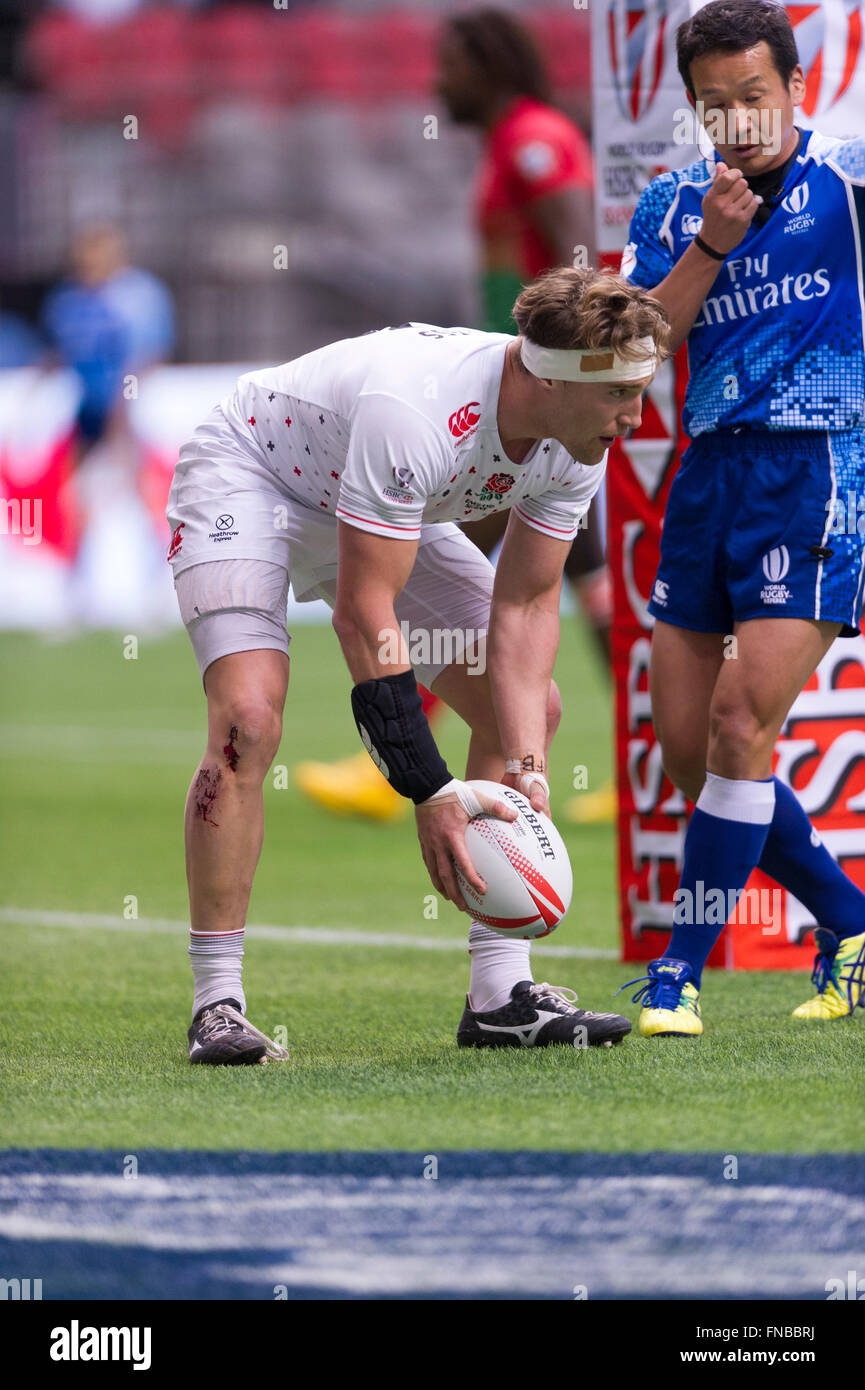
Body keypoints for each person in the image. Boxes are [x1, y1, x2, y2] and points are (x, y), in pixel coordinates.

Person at [166, 266, 668, 1064]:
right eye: (618, 397)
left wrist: (529, 764)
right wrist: (428, 790)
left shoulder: (577, 438)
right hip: (252, 478)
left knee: (530, 711)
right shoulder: (419, 410)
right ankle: (216, 1003)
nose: (634, 418)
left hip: (372, 505)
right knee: (247, 722)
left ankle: (501, 997)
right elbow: (365, 618)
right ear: (552, 380)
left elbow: (529, 605)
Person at [296, 8, 616, 826]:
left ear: (489, 64)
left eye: (451, 64)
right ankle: (607, 759)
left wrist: (561, 380)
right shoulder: (516, 137)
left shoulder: (532, 135)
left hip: (536, 406)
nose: (438, 81)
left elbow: (577, 251)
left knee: (504, 583)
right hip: (513, 408)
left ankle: (428, 754)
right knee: (523, 581)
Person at [618, 0, 865, 1035]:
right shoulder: (670, 208)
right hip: (704, 475)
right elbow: (637, 349)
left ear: (795, 90)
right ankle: (849, 919)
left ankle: (678, 972)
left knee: (735, 722)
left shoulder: (845, 189)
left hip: (813, 471)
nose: (738, 122)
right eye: (715, 104)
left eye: (754, 98)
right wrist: (711, 245)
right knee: (690, 752)